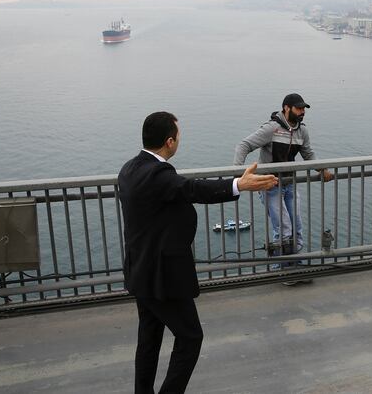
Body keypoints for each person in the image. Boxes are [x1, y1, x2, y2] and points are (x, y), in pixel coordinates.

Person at [118, 111, 277, 393]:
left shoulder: (129, 169)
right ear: (169, 142)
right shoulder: (158, 173)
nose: (179, 139)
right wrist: (238, 184)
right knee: (190, 337)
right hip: (162, 277)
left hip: (140, 271)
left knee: (149, 339)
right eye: (178, 135)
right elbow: (192, 189)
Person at [233, 93, 332, 273]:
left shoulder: (302, 131)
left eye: (304, 109)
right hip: (270, 186)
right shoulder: (272, 129)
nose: (302, 112)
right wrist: (238, 174)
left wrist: (322, 170)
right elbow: (244, 145)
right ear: (286, 108)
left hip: (290, 184)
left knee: (297, 229)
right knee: (284, 229)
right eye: (299, 108)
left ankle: (293, 265)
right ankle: (280, 269)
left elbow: (308, 153)